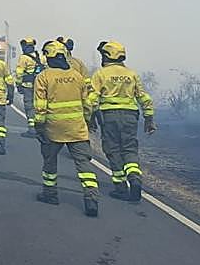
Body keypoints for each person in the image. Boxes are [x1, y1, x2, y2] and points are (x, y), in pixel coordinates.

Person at [34, 40, 100, 217]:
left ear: (48, 56)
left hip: (53, 129)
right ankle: (91, 199)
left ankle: (50, 195)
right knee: (84, 164)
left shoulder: (43, 77)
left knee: (49, 162)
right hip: (77, 129)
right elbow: (87, 104)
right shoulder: (77, 76)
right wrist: (86, 122)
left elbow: (40, 108)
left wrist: (38, 126)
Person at [88, 40, 156, 201]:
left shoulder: (101, 74)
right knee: (129, 148)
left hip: (109, 116)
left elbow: (92, 99)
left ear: (107, 56)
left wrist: (89, 118)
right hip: (130, 116)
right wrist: (149, 118)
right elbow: (144, 97)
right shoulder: (131, 74)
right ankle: (135, 178)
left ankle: (120, 188)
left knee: (113, 150)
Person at [14, 37, 44, 137]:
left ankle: (32, 129)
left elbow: (19, 73)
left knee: (29, 106)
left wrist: (18, 84)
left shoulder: (23, 58)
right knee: (40, 106)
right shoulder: (41, 57)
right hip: (40, 86)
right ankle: (41, 128)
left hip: (28, 86)